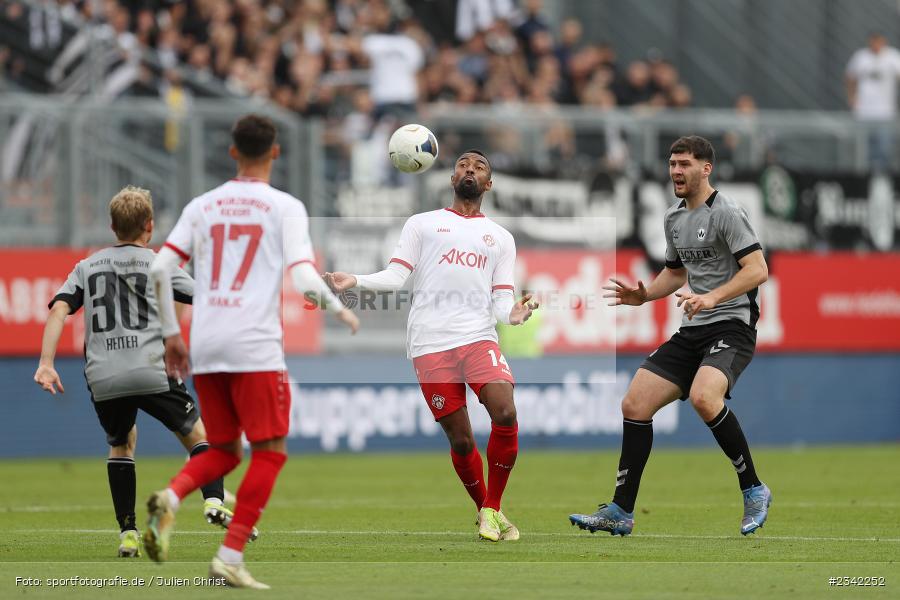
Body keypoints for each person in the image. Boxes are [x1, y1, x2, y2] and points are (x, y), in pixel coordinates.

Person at [144, 115, 359, 588]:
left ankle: (173, 497)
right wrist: (339, 310)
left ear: (233, 152)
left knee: (223, 449)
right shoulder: (284, 206)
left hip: (207, 340)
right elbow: (303, 276)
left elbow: (159, 271)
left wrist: (171, 335)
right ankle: (229, 556)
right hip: (255, 344)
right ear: (275, 153)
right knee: (270, 452)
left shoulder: (203, 205)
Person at [326, 150, 538, 542]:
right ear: (452, 178)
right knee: (461, 439)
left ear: (488, 183)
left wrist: (514, 316)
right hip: (430, 343)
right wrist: (353, 279)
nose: (469, 168)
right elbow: (395, 276)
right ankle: (487, 513)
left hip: (477, 337)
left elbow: (501, 299)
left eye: (479, 166)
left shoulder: (501, 239)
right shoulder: (423, 225)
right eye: (462, 164)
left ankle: (492, 507)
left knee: (505, 411)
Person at [568, 136, 771, 536]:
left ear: (706, 168)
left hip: (732, 325)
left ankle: (754, 489)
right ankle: (621, 511)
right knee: (635, 403)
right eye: (672, 163)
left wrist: (712, 297)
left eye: (685, 164)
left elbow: (757, 269)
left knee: (703, 396)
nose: (676, 171)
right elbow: (676, 275)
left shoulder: (726, 212)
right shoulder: (674, 218)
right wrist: (643, 295)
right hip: (693, 329)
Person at [33, 185, 237, 558]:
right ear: (150, 226)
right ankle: (213, 500)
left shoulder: (86, 266)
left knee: (121, 444)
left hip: (104, 375)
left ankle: (128, 532)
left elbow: (59, 310)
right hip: (151, 369)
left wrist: (46, 364)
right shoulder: (161, 264)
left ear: (112, 226)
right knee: (198, 437)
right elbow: (207, 298)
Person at [845, 32, 900, 173]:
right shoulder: (861, 56)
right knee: (862, 149)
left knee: (884, 148)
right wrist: (851, 97)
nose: (875, 45)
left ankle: (882, 177)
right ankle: (863, 178)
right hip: (863, 112)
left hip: (885, 112)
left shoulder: (893, 57)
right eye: (873, 42)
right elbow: (850, 77)